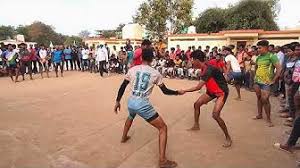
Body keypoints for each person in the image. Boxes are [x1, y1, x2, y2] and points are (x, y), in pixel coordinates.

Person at [114, 48, 180, 168]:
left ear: (141, 58)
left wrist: (117, 101)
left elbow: (122, 86)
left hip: (131, 101)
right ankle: (162, 160)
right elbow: (165, 91)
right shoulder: (155, 73)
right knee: (163, 128)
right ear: (152, 59)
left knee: (131, 115)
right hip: (142, 104)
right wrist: (177, 92)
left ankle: (123, 137)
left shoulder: (132, 69)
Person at [180, 50, 232, 148]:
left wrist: (184, 90)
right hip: (211, 92)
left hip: (221, 93)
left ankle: (228, 137)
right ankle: (196, 125)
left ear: (197, 60)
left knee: (215, 115)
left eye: (192, 60)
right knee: (197, 104)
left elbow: (198, 87)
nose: (191, 62)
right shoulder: (205, 67)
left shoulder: (208, 70)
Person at [253, 40, 282, 127]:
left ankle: (269, 119)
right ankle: (259, 114)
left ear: (265, 47)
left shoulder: (272, 56)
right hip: (257, 81)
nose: (258, 49)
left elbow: (279, 68)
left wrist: (273, 80)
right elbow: (256, 67)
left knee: (265, 99)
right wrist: (255, 76)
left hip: (266, 83)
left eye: (259, 48)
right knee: (259, 98)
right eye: (258, 48)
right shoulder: (258, 57)